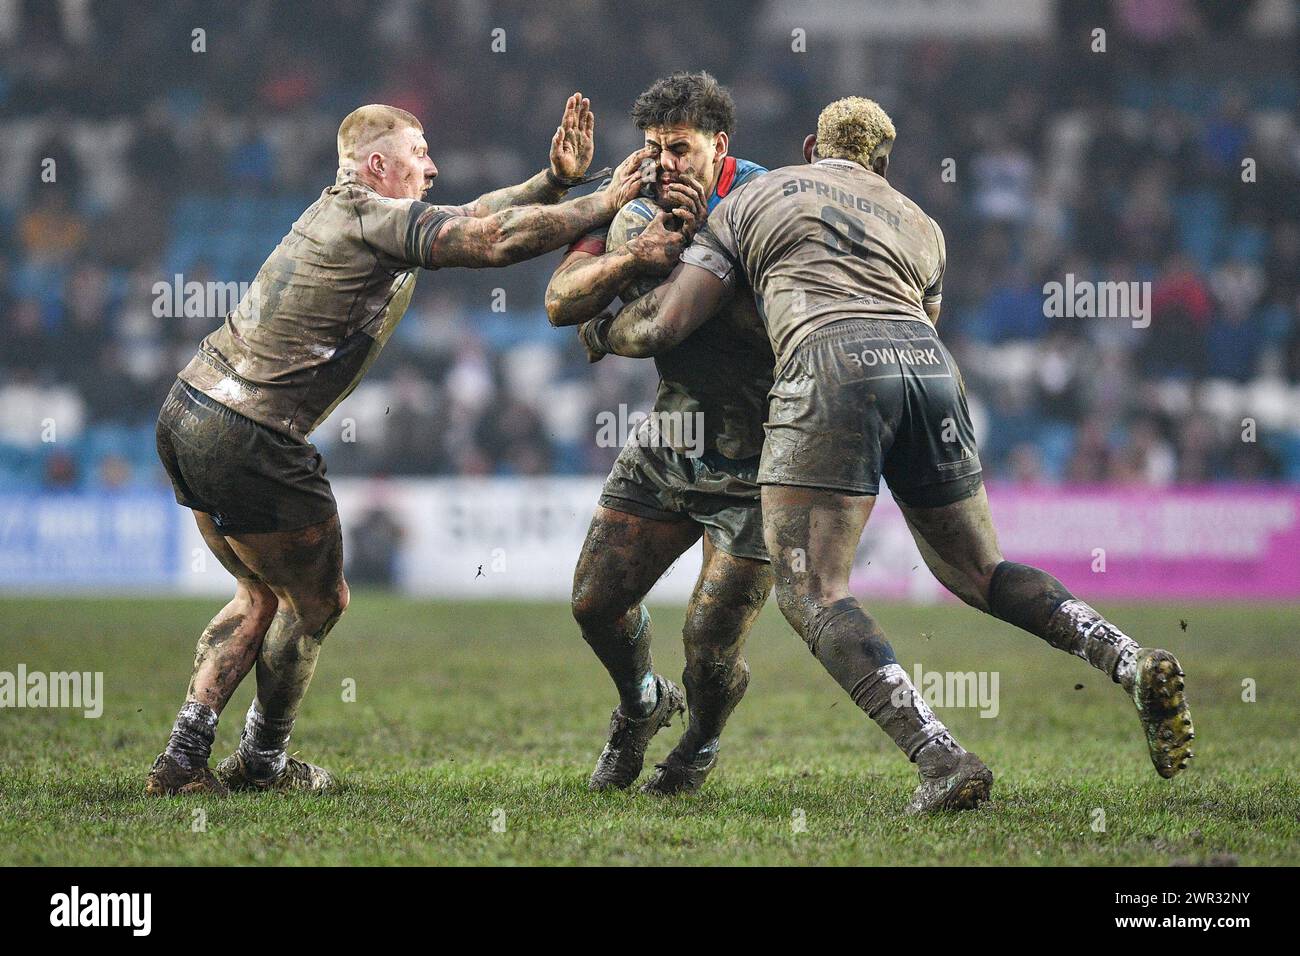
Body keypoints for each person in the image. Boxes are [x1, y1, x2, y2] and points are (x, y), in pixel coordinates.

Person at [580, 97, 1195, 813]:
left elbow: (668, 319)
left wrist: (607, 330)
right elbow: (920, 317)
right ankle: (1126, 656)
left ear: (812, 146)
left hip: (829, 363)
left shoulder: (759, 194)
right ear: (883, 163)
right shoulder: (919, 221)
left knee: (814, 593)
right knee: (980, 570)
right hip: (929, 368)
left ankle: (940, 757)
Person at [147, 95, 648, 796]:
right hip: (250, 433)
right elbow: (493, 242)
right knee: (315, 604)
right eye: (419, 155)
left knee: (260, 595)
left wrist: (555, 184)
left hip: (190, 409)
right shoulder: (367, 216)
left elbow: (476, 216)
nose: (433, 168)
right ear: (377, 166)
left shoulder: (355, 213)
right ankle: (262, 764)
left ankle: (182, 756)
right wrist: (604, 205)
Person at [544, 72, 772, 795]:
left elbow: (782, 319)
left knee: (708, 645)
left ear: (719, 145)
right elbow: (558, 300)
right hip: (676, 430)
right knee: (594, 600)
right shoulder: (626, 192)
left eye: (680, 148)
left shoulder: (766, 201)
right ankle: (642, 705)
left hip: (768, 450)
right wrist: (633, 259)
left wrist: (707, 242)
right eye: (653, 147)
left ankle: (700, 740)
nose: (664, 163)